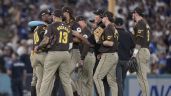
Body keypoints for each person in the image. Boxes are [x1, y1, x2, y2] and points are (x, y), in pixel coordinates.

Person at [37, 9, 73, 96]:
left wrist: (39, 47)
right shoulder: (68, 28)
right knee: (66, 81)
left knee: (47, 79)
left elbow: (45, 41)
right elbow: (70, 45)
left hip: (54, 53)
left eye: (53, 15)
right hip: (66, 54)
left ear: (55, 16)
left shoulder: (51, 26)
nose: (52, 17)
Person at [93, 11, 119, 96]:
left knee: (97, 77)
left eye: (103, 17)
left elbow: (110, 43)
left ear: (106, 17)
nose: (102, 18)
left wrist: (99, 41)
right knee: (112, 81)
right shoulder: (114, 27)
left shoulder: (108, 27)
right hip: (114, 54)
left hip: (109, 56)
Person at [30, 9, 52, 96]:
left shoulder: (36, 27)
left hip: (34, 55)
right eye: (46, 15)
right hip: (42, 53)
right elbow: (45, 40)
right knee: (46, 78)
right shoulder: (44, 26)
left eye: (49, 15)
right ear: (42, 17)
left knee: (38, 79)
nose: (49, 16)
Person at [131, 7, 151, 96]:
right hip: (145, 50)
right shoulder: (144, 23)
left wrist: (134, 54)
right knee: (141, 78)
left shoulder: (141, 23)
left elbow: (139, 40)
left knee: (142, 78)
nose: (132, 15)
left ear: (136, 13)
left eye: (133, 13)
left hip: (141, 51)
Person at [114, 17, 135, 96]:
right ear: (122, 24)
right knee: (122, 81)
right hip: (126, 61)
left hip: (117, 60)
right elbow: (133, 46)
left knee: (118, 82)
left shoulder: (114, 34)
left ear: (115, 24)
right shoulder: (128, 34)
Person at [76, 16, 96, 96]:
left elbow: (87, 45)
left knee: (82, 80)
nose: (77, 23)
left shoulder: (85, 31)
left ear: (83, 21)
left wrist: (82, 58)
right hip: (90, 55)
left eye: (78, 21)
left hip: (87, 56)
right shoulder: (87, 31)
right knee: (89, 82)